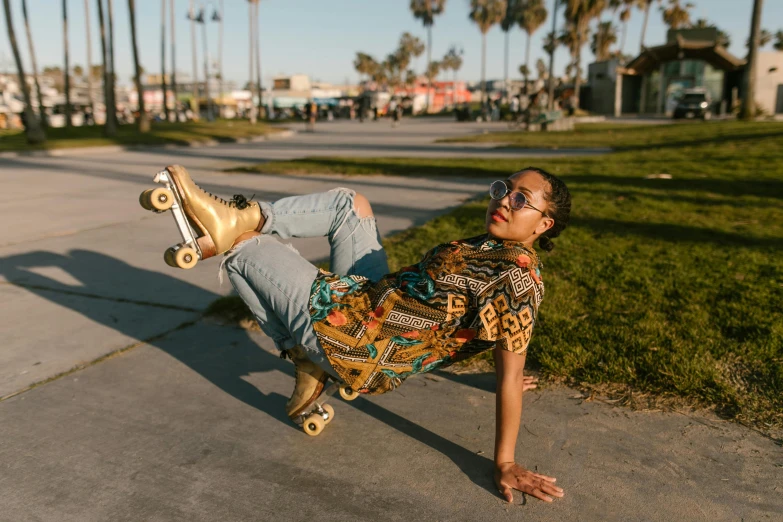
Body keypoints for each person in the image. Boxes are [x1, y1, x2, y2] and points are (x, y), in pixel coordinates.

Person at [158, 165, 570, 504]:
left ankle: (301, 346)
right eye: (504, 188)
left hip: (354, 340)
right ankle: (245, 227)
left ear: (544, 224)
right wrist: (485, 376)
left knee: (245, 250)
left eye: (521, 199)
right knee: (349, 204)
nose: (503, 200)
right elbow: (466, 333)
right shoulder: (492, 247)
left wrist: (505, 462)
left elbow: (510, 365)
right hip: (369, 300)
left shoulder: (517, 279)